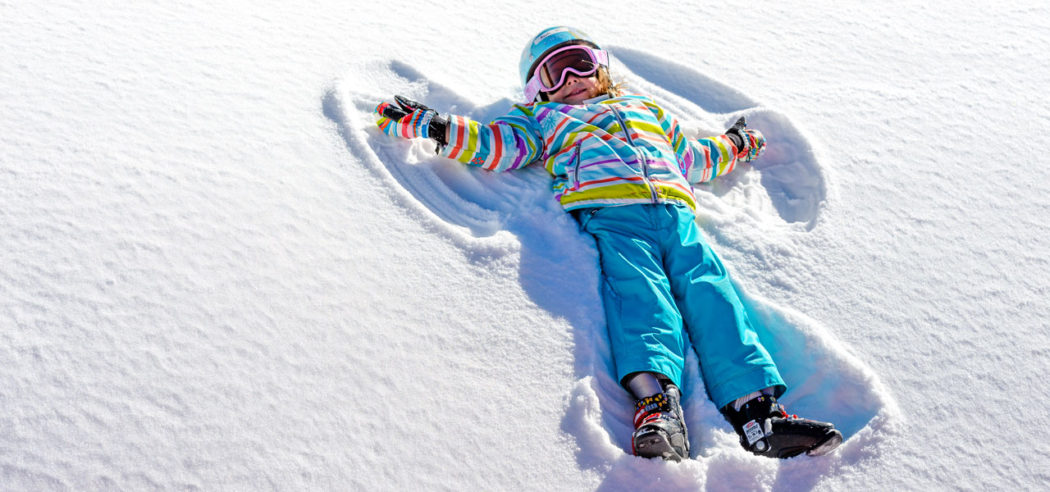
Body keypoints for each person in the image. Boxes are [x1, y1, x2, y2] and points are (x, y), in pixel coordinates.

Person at [373, 26, 842, 461]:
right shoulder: (545, 119)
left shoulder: (648, 111)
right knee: (642, 299)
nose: (574, 78)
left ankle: (759, 415)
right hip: (613, 216)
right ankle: (658, 406)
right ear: (539, 89)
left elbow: (695, 157)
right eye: (557, 72)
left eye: (581, 62)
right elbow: (495, 145)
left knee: (713, 297)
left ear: (600, 67)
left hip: (677, 217)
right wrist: (436, 127)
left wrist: (735, 145)